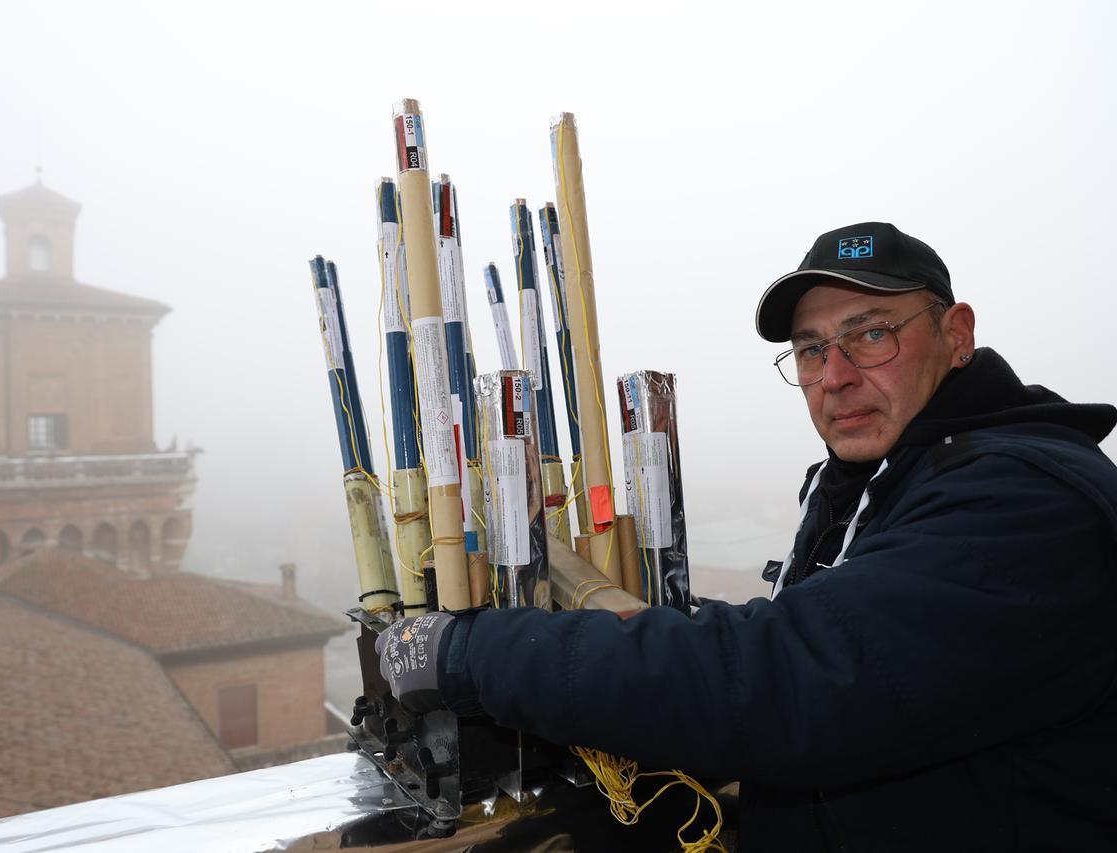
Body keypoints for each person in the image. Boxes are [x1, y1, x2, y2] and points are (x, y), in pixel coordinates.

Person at [376, 222, 1117, 851]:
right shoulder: (867, 488)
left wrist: (469, 650)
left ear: (957, 335)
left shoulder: (1023, 505)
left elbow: (789, 676)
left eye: (871, 334)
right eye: (810, 348)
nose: (834, 375)